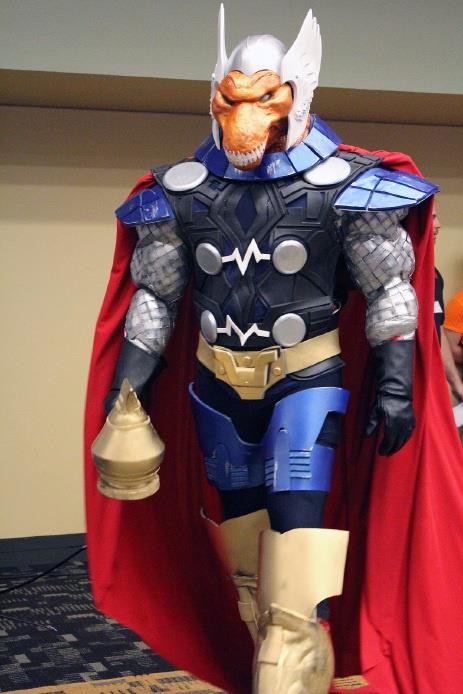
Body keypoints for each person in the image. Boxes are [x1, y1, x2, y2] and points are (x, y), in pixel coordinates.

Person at [84, 7, 463, 694]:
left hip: (305, 378)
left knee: (294, 530)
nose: (244, 119)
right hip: (217, 384)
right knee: (247, 554)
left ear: (296, 92)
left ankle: (294, 659)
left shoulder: (350, 185)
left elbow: (389, 291)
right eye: (229, 100)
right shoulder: (181, 193)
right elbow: (155, 299)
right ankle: (273, 658)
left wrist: (395, 381)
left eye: (262, 99)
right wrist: (128, 387)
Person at [433, 210, 463, 401]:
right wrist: (458, 385)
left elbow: (437, 330)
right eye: (433, 218)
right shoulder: (460, 303)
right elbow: (449, 346)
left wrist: (457, 386)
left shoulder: (434, 276)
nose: (439, 225)